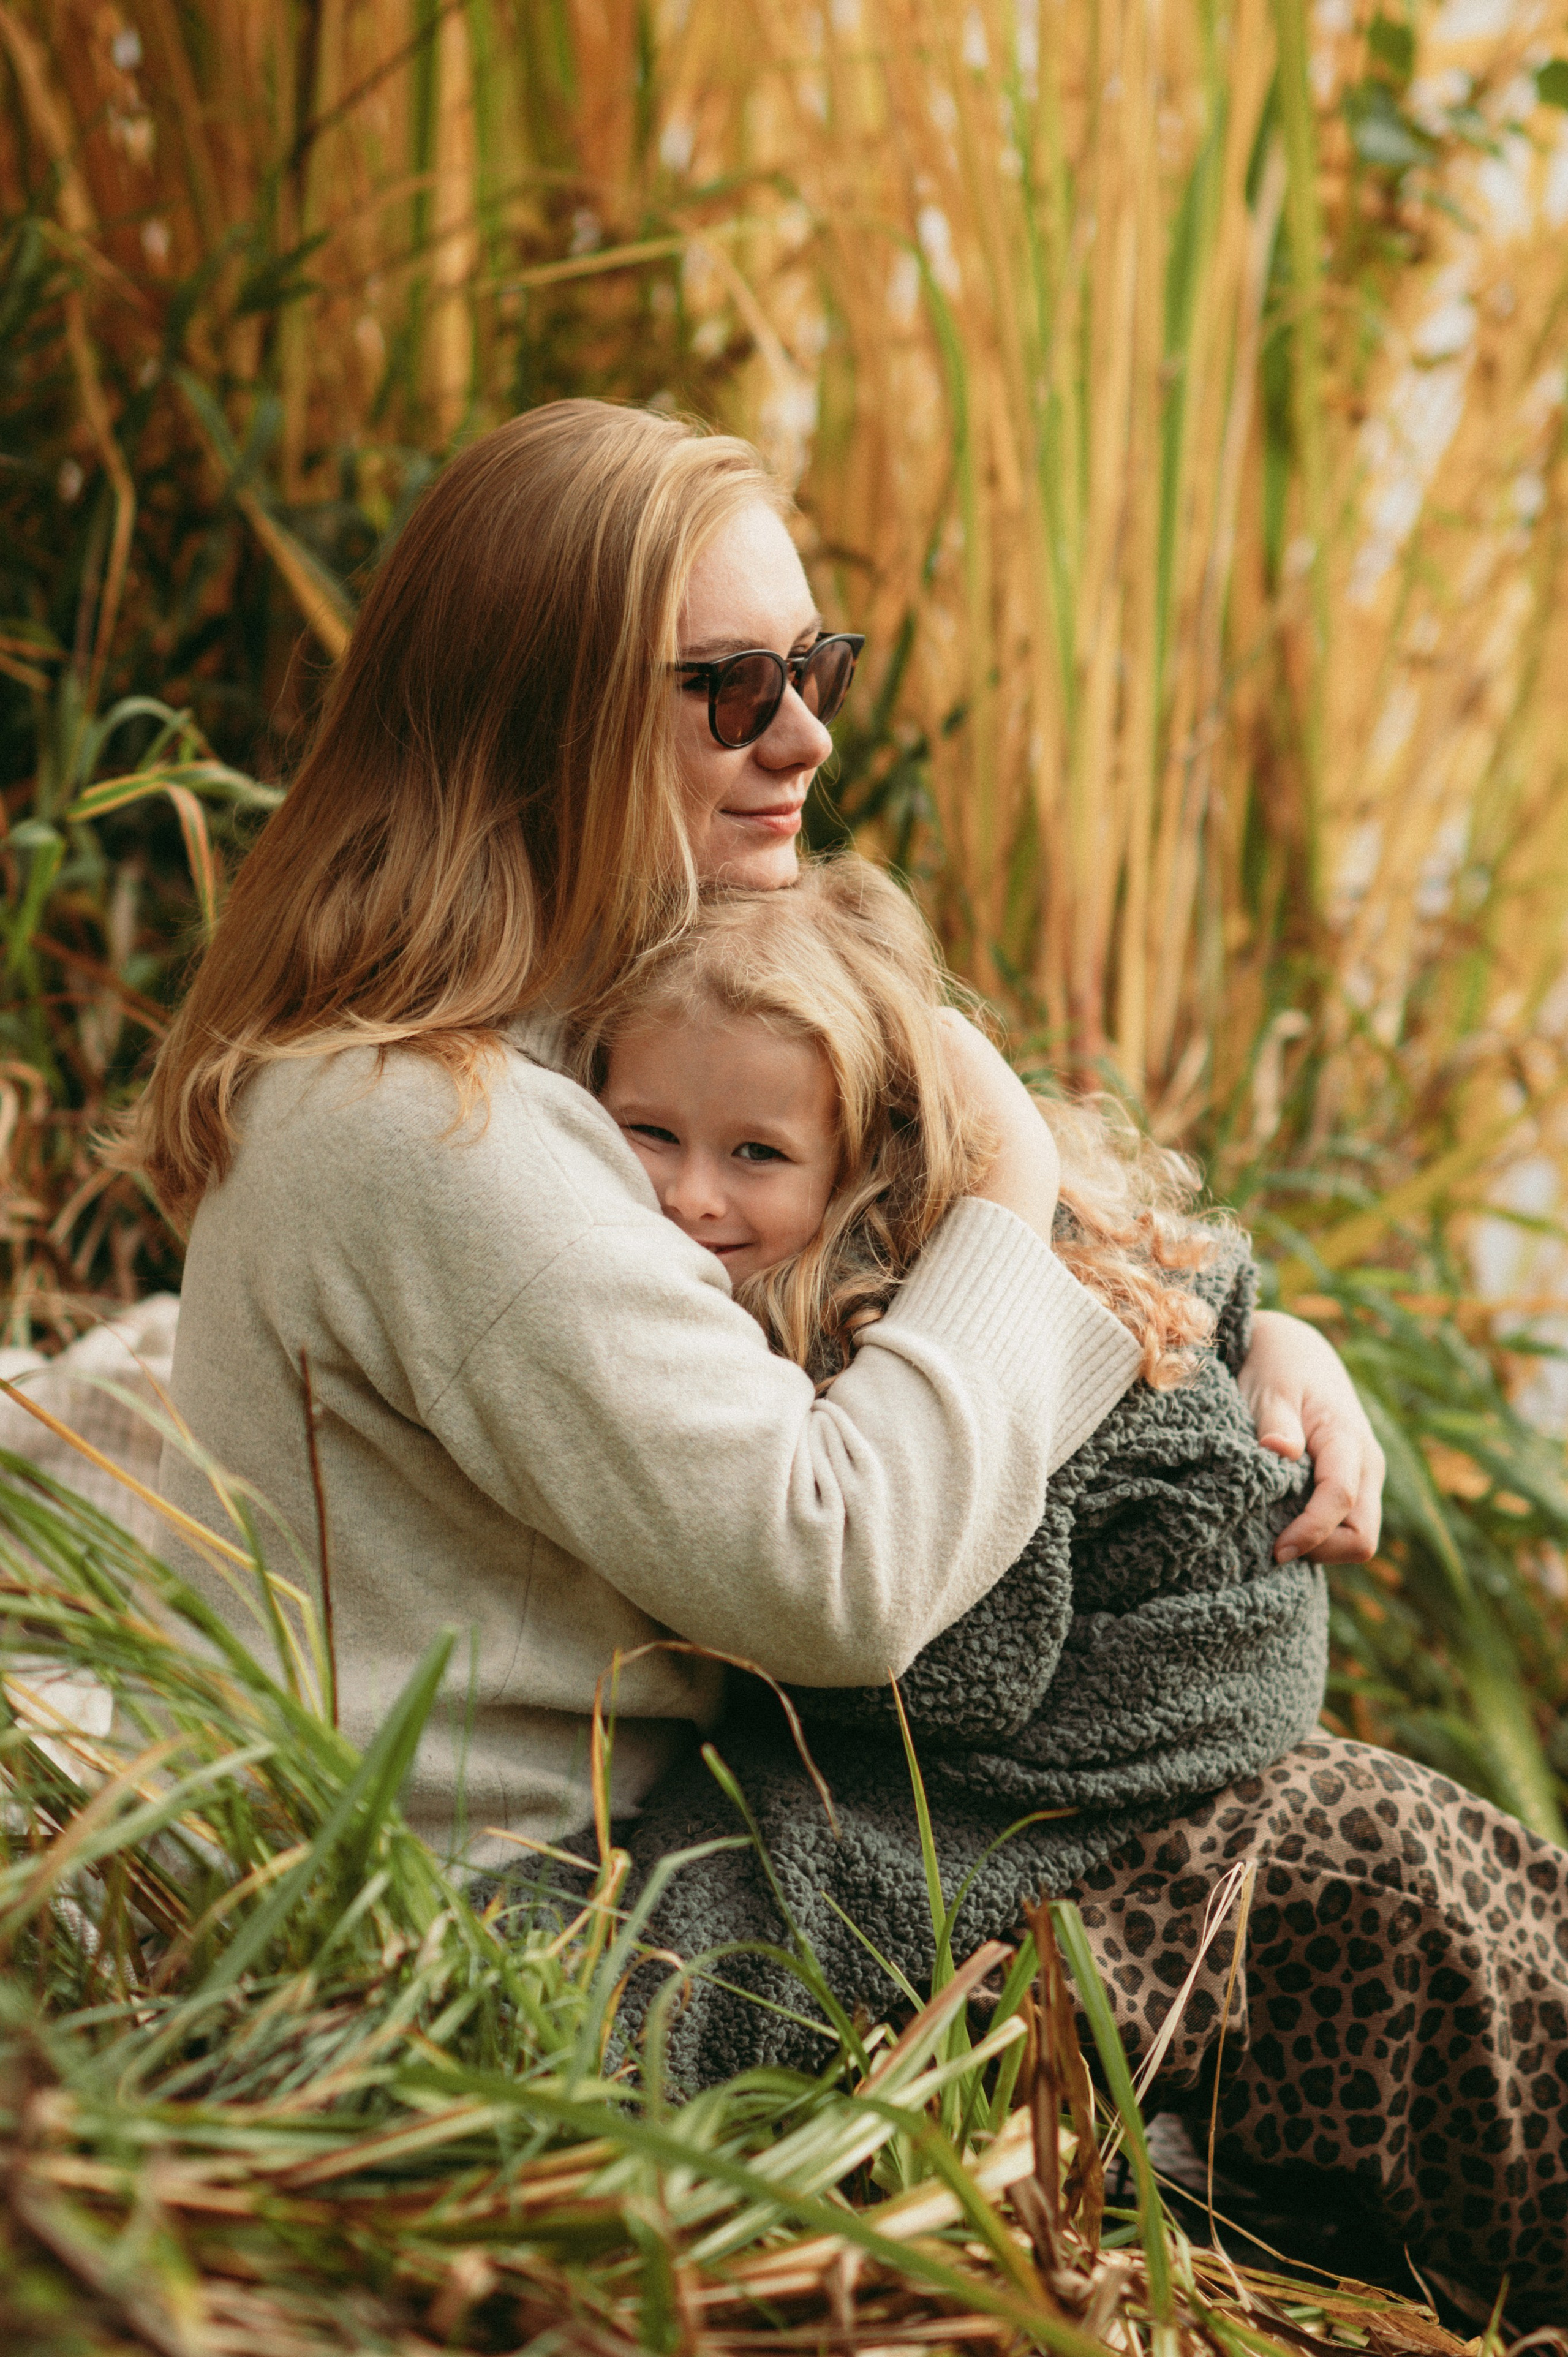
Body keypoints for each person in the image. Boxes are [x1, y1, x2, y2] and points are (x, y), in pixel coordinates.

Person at [129, 398, 1379, 1873]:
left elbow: (840, 1309)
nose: (807, 734)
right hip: (495, 1933)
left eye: (812, 663)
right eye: (729, 689)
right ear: (540, 723)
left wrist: (1237, 1345)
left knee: (1346, 1853)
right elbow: (835, 1576)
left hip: (625, 1843)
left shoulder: (581, 1034)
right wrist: (1010, 1180)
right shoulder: (429, 1131)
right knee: (1341, 1863)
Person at [564, 857, 1568, 2329]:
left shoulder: (903, 1304)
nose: (688, 1196)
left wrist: (1276, 1338)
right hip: (1080, 1841)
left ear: (865, 1164)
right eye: (646, 1131)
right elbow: (919, 1657)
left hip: (1140, 1765)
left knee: (1459, 1909)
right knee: (1400, 1901)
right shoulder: (689, 1327)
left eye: (755, 1155)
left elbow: (1026, 1575)